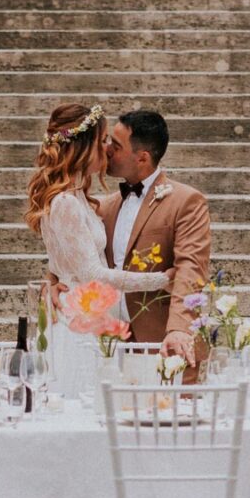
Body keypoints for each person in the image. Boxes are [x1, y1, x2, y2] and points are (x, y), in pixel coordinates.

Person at [26, 103, 173, 395]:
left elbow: (68, 262)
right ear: (83, 146)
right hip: (80, 323)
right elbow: (92, 273)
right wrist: (162, 279)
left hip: (91, 315)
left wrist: (54, 280)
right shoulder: (66, 202)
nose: (107, 148)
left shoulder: (79, 197)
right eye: (103, 139)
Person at [101, 111, 211, 369]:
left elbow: (190, 268)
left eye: (116, 146)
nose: (106, 150)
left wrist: (179, 329)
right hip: (111, 350)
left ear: (142, 157)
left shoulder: (186, 201)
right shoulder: (105, 207)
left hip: (166, 347)